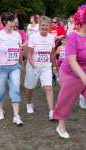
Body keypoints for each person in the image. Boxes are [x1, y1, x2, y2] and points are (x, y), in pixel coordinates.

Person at [53, 4, 86, 138]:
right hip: (71, 73)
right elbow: (72, 61)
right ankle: (60, 126)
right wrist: (83, 76)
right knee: (66, 100)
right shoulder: (73, 36)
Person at [0, 12, 23, 125]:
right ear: (5, 22)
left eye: (14, 21)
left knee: (15, 89)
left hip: (15, 67)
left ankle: (16, 115)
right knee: (1, 90)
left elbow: (19, 49)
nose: (14, 23)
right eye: (11, 21)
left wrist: (21, 63)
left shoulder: (17, 34)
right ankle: (0, 109)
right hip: (2, 67)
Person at [24, 16, 56, 120]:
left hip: (46, 66)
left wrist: (55, 67)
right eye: (42, 25)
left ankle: (51, 112)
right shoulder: (33, 37)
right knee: (30, 87)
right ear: (39, 26)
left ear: (49, 26)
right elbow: (29, 54)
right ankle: (29, 103)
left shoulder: (51, 38)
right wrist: (33, 65)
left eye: (46, 26)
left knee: (48, 87)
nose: (44, 28)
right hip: (33, 66)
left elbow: (52, 54)